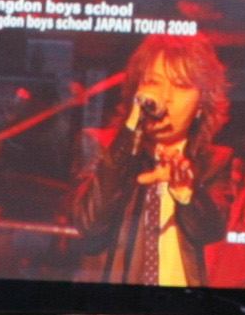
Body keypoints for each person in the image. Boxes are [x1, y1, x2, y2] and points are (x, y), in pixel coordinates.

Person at [68, 32, 235, 288]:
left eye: (180, 86)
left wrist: (186, 193)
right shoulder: (100, 146)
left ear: (201, 103)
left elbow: (210, 232)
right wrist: (130, 134)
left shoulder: (215, 160)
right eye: (154, 83)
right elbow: (90, 225)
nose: (165, 98)